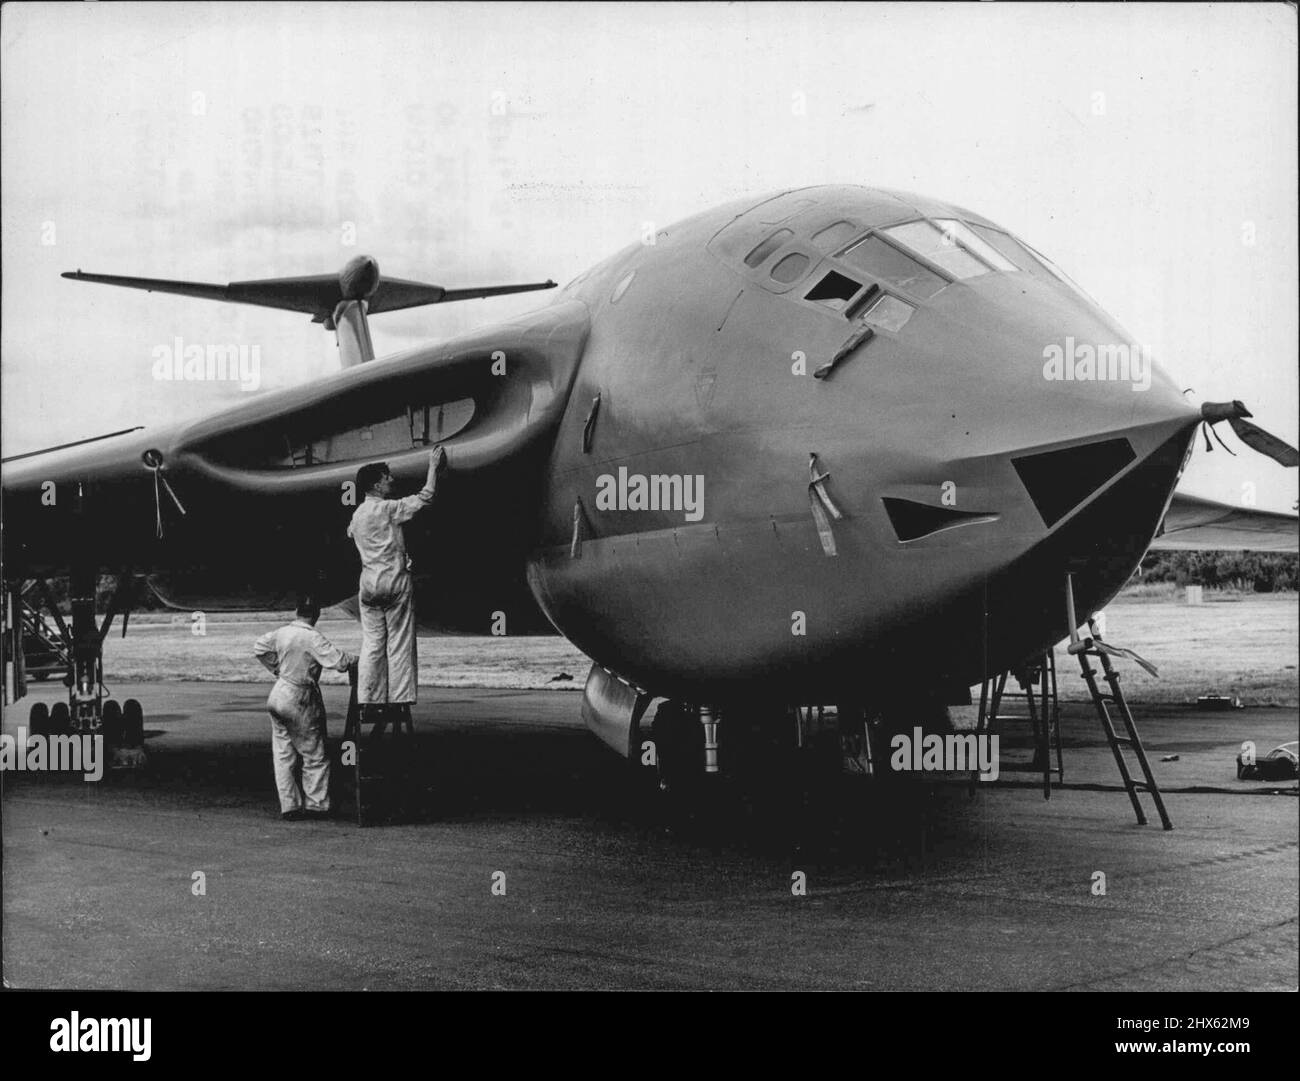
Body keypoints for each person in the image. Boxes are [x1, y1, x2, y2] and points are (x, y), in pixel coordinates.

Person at [347, 446, 446, 720]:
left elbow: (353, 533)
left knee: (372, 643)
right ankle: (399, 698)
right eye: (386, 478)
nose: (391, 480)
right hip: (394, 580)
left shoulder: (357, 515)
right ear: (376, 485)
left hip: (368, 584)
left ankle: (368, 699)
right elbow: (426, 496)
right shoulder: (389, 509)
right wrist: (433, 467)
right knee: (399, 642)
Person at [253, 597, 356, 820]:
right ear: (316, 614)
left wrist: (276, 668)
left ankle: (289, 805)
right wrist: (357, 660)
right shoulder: (312, 637)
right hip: (299, 695)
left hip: (279, 692)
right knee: (315, 754)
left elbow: (259, 647)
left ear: (297, 611)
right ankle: (316, 804)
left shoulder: (282, 632)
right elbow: (339, 662)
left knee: (283, 754)